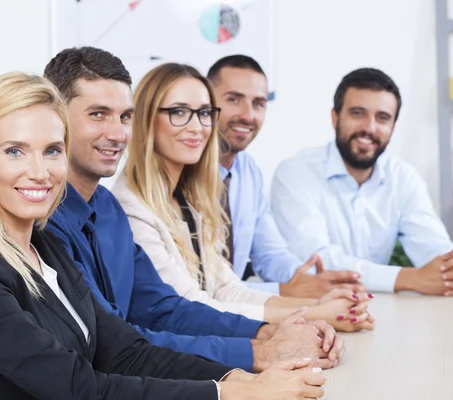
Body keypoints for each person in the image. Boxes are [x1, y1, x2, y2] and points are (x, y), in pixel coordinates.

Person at [0, 71, 328, 400]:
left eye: (51, 150)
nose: (40, 171)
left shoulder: (44, 248)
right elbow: (78, 388)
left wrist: (239, 378)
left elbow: (127, 353)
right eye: (14, 151)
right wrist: (227, 394)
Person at [44, 46, 342, 373]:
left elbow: (165, 309)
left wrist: (267, 332)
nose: (117, 134)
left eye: (124, 116)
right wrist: (259, 352)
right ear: (53, 119)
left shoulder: (109, 210)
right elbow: (112, 346)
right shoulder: (44, 223)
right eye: (98, 114)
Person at [111, 62, 374, 337]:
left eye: (203, 113)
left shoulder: (187, 198)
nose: (197, 127)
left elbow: (226, 288)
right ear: (146, 119)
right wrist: (316, 314)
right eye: (178, 112)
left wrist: (317, 304)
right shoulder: (131, 208)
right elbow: (192, 307)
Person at [270, 67, 453, 295]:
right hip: (306, 312)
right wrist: (409, 278)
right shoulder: (296, 173)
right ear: (335, 117)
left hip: (377, 308)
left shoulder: (403, 177)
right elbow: (317, 263)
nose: (369, 128)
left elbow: (430, 241)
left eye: (382, 118)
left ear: (392, 127)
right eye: (357, 113)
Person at [206, 55, 365, 299]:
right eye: (234, 99)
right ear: (205, 102)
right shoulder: (182, 172)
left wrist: (306, 279)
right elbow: (200, 288)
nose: (248, 115)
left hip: (236, 311)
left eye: (258, 103)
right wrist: (286, 290)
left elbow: (269, 254)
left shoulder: (249, 171)